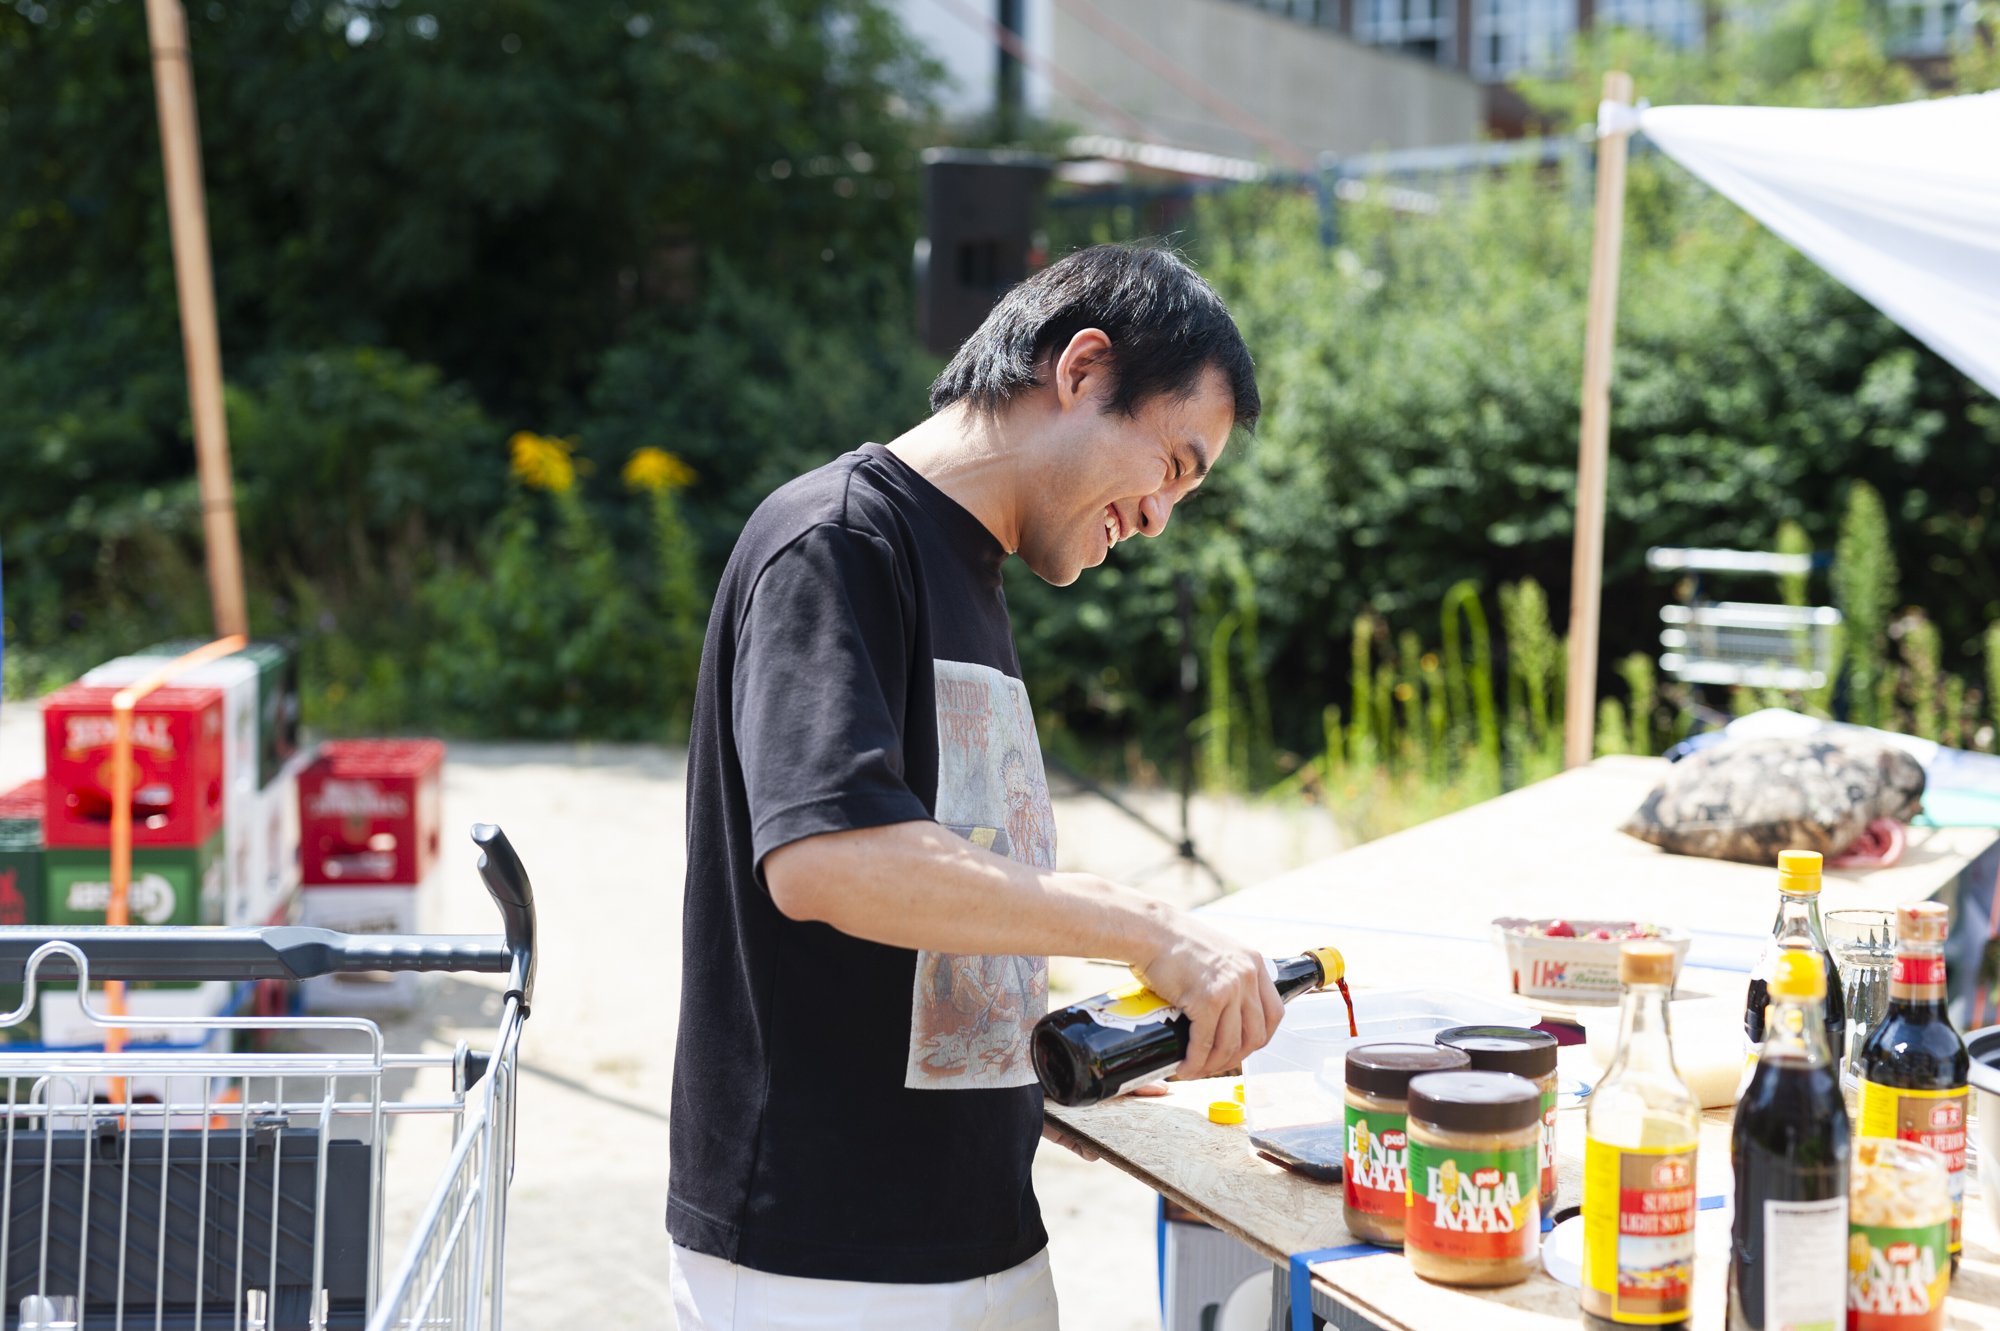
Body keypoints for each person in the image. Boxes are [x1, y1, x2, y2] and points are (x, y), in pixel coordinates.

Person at [668, 243, 1279, 1330]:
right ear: (1082, 369)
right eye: (1172, 466)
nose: (1156, 517)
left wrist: (1037, 1062)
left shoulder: (970, 573)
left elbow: (940, 899)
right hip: (823, 1262)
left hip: (973, 1233)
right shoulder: (838, 541)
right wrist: (1141, 924)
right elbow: (829, 859)